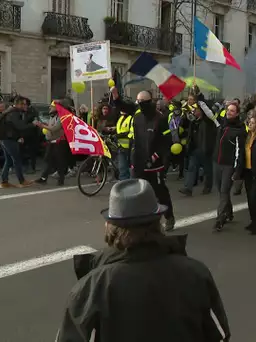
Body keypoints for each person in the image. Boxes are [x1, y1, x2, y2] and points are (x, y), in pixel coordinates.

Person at [56, 179, 230, 342]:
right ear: (158, 223)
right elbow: (218, 335)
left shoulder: (91, 289)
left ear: (110, 228)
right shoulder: (196, 274)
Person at [110, 87, 176, 231]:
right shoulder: (137, 114)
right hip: (138, 161)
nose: (139, 104)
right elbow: (124, 106)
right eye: (137, 101)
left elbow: (166, 141)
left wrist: (155, 156)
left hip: (155, 164)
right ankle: (140, 220)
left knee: (159, 192)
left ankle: (169, 216)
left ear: (149, 102)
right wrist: (116, 97)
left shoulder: (161, 118)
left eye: (142, 102)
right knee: (136, 192)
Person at [212, 103, 246, 232]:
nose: (229, 112)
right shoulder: (222, 124)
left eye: (232, 111)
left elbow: (239, 152)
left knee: (224, 191)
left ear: (237, 113)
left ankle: (220, 220)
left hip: (229, 165)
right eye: (228, 110)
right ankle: (229, 213)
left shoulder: (239, 130)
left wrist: (237, 170)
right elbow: (209, 114)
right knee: (221, 191)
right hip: (217, 163)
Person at [0, 96, 35, 188]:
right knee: (17, 160)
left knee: (8, 161)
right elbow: (20, 126)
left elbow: (13, 127)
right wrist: (33, 124)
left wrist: (19, 136)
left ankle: (4, 182)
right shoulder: (13, 113)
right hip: (9, 140)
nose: (26, 106)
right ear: (18, 104)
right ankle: (22, 181)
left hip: (5, 139)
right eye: (24, 104)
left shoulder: (10, 111)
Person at [178, 101, 217, 196]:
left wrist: (199, 98)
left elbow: (208, 111)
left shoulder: (207, 121)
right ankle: (188, 188)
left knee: (207, 169)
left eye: (196, 109)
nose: (194, 111)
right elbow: (183, 124)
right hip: (194, 148)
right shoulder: (194, 120)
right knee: (191, 167)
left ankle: (208, 186)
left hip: (205, 148)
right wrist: (186, 111)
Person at [34, 101, 69, 186]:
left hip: (59, 142)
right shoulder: (52, 116)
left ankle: (61, 179)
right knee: (48, 160)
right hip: (51, 142)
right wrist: (44, 125)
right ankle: (43, 177)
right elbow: (50, 127)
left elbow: (54, 128)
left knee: (59, 161)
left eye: (51, 106)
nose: (49, 108)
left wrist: (42, 125)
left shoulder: (61, 117)